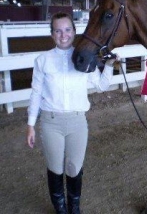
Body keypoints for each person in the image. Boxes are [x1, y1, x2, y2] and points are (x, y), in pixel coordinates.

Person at [26, 12, 118, 214]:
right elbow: (36, 93)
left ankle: (74, 206)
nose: (63, 34)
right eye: (58, 30)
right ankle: (60, 207)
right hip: (51, 122)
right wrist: (31, 125)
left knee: (74, 167)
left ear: (74, 32)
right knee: (55, 168)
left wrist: (109, 66)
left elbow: (101, 85)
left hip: (77, 122)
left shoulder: (84, 57)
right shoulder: (43, 60)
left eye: (67, 29)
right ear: (52, 34)